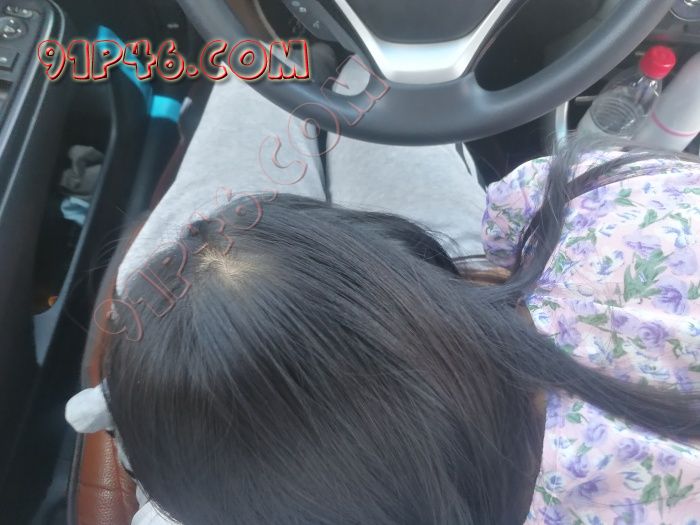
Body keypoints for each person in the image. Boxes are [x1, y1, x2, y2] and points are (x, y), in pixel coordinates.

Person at [67, 64, 700, 524]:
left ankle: (297, 63)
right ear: (409, 255)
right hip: (483, 281)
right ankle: (333, 68)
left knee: (162, 279)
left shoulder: (632, 217)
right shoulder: (616, 227)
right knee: (352, 87)